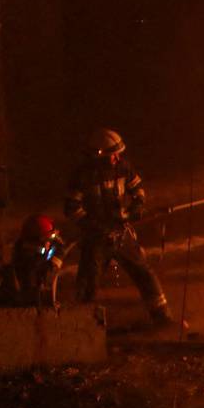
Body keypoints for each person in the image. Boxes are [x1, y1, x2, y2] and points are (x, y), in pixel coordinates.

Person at [65, 129, 171, 326]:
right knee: (88, 282)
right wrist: (93, 227)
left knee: (144, 272)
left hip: (122, 234)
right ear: (99, 155)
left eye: (118, 154)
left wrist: (138, 205)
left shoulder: (123, 168)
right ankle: (79, 324)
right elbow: (72, 209)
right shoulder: (82, 176)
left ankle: (161, 317)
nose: (117, 157)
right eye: (112, 154)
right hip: (96, 239)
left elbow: (137, 188)